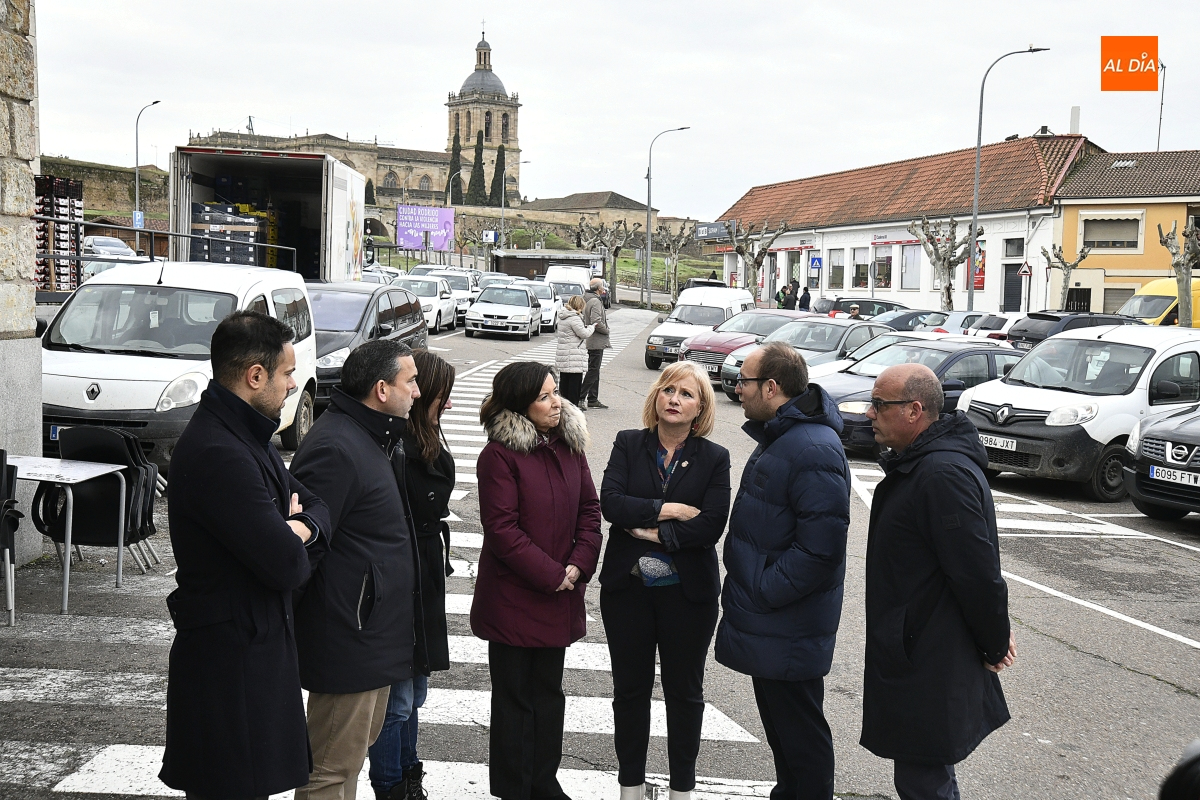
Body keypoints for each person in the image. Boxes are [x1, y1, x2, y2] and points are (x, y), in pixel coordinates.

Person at [161, 311, 330, 800]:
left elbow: (319, 504)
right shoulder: (221, 450)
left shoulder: (243, 435)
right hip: (228, 668)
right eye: (286, 373)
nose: (294, 384)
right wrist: (297, 533)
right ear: (255, 376)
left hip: (250, 650)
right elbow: (286, 565)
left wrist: (299, 526)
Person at [862, 363, 1015, 800]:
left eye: (879, 404)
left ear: (914, 410)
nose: (870, 413)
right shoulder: (924, 466)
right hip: (919, 648)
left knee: (924, 780)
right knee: (925, 774)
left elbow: (976, 572)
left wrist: (994, 640)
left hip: (928, 654)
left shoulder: (940, 475)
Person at [715, 342, 851, 800]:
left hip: (787, 620)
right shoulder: (785, 435)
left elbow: (820, 550)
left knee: (801, 737)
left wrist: (762, 589)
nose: (739, 388)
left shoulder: (811, 446)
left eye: (745, 381)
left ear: (771, 387)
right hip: (776, 620)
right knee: (784, 732)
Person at [288, 340, 423, 800]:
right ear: (382, 390)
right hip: (348, 636)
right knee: (328, 767)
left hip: (369, 634)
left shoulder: (367, 436)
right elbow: (305, 548)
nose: (418, 392)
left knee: (347, 761)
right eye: (411, 381)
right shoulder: (337, 445)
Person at [600, 361, 731, 800]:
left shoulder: (715, 458)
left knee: (685, 693)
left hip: (687, 595)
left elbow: (711, 525)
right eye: (668, 390)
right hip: (628, 591)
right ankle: (630, 786)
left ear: (700, 408)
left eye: (686, 394)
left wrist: (652, 530)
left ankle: (682, 790)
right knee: (630, 691)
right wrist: (672, 510)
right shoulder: (627, 443)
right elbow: (612, 504)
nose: (674, 399)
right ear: (656, 396)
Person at [472, 362, 603, 800]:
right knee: (514, 701)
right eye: (545, 396)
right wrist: (553, 574)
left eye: (555, 393)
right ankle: (514, 789)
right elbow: (503, 531)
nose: (557, 402)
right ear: (521, 405)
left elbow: (590, 510)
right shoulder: (499, 455)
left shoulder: (569, 445)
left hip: (559, 594)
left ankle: (544, 783)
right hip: (514, 599)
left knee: (549, 696)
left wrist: (579, 564)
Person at [368, 350, 458, 800]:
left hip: (422, 571)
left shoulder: (417, 438)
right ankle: (391, 785)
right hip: (406, 571)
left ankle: (408, 775)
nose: (439, 400)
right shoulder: (398, 442)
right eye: (439, 392)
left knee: (414, 692)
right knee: (399, 699)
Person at [555, 295, 595, 407]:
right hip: (573, 357)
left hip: (564, 354)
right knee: (574, 387)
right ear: (579, 306)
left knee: (564, 385)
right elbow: (584, 334)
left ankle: (563, 408)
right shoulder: (574, 318)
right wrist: (591, 327)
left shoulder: (563, 316)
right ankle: (572, 410)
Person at [581, 278, 611, 411]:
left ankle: (592, 398)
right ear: (598, 289)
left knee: (595, 369)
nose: (604, 289)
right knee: (593, 370)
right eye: (603, 287)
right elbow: (596, 321)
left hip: (591, 339)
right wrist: (606, 330)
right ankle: (581, 397)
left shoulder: (586, 298)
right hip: (596, 340)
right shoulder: (595, 301)